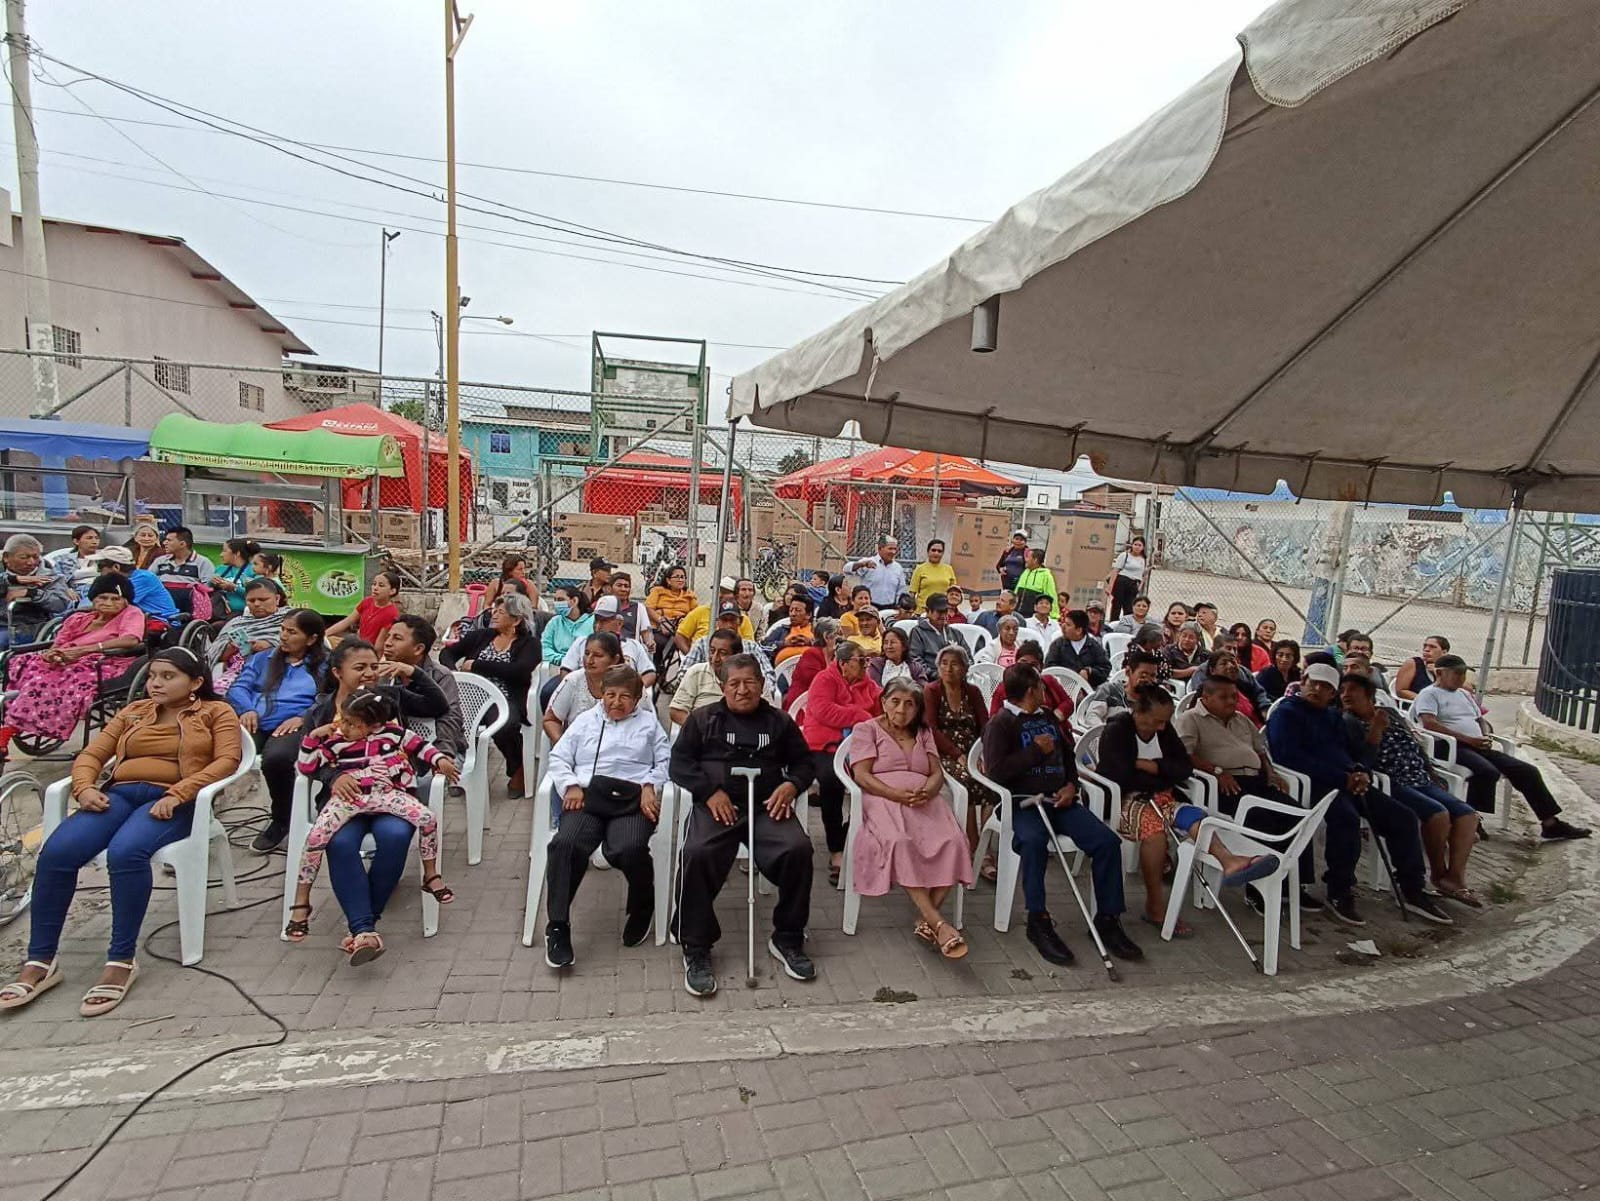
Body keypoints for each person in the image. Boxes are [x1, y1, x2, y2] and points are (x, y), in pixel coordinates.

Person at [0, 648, 241, 1016]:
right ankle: (41, 960)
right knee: (58, 852)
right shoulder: (134, 711)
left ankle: (121, 959)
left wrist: (180, 793)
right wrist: (84, 788)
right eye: (153, 676)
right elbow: (91, 755)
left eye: (168, 676)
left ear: (195, 683)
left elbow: (227, 760)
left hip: (174, 801)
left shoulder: (215, 712)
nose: (156, 683)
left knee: (126, 852)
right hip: (120, 795)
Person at [671, 654, 818, 995]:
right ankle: (696, 945)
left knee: (798, 850)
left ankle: (788, 937)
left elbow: (804, 763)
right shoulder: (702, 719)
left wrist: (792, 785)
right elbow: (679, 764)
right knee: (697, 853)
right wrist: (709, 792)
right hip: (717, 807)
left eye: (749, 682)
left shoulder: (779, 722)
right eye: (734, 684)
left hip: (766, 806)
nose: (742, 690)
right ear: (722, 687)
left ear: (762, 684)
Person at [981, 663, 1141, 965]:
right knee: (1033, 843)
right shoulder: (1001, 723)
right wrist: (1034, 752)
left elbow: (1069, 758)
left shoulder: (1046, 717)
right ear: (1032, 690)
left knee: (1107, 842)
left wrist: (1071, 786)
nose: (1046, 690)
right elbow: (996, 773)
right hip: (1023, 804)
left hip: (1061, 800)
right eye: (1042, 686)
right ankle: (1038, 920)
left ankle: (1107, 919)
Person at [285, 691, 459, 952]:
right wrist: (314, 737)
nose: (344, 727)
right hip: (349, 800)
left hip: (386, 796)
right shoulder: (335, 741)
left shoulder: (392, 734)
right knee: (316, 839)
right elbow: (307, 766)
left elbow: (421, 746)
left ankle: (431, 875)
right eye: (343, 720)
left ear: (373, 725)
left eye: (351, 723)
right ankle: (302, 902)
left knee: (426, 818)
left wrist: (440, 759)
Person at [1099, 685, 1278, 935]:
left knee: (1197, 818)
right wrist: (1161, 774)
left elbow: (1183, 767)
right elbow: (1120, 773)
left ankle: (1229, 861)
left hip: (1163, 797)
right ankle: (1155, 907)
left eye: (1165, 721)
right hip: (1125, 800)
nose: (1162, 727)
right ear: (1138, 712)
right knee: (1155, 835)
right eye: (1157, 721)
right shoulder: (1117, 730)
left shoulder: (1164, 730)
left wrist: (1152, 766)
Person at [1266, 662, 1436, 926]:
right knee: (1346, 820)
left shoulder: (1334, 717)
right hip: (1313, 784)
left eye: (1325, 687)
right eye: (1313, 683)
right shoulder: (1286, 714)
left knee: (1403, 817)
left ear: (1332, 693)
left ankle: (1412, 887)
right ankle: (1339, 890)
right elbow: (1288, 757)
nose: (1317, 689)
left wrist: (1360, 771)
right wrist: (1342, 778)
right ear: (1303, 681)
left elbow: (1353, 754)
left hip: (1347, 782)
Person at [542, 666, 671, 968]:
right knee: (565, 845)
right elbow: (559, 757)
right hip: (588, 797)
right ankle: (558, 926)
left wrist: (651, 785)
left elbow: (665, 761)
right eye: (610, 695)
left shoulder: (649, 724)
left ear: (637, 699)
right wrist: (571, 785)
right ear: (601, 695)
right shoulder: (585, 721)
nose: (616, 702)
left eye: (625, 696)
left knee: (627, 848)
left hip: (633, 799)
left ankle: (642, 903)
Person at [1174, 673, 1322, 914]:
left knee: (1299, 817)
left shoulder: (1241, 719)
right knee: (1262, 821)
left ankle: (1293, 886)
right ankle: (1257, 889)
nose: (1232, 701)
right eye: (1224, 697)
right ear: (1206, 697)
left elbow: (1260, 751)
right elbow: (1184, 755)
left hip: (1257, 780)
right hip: (1225, 784)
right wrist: (1216, 771)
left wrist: (1271, 773)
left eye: (1234, 696)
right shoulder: (1191, 719)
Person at [849, 675, 975, 957]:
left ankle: (926, 920)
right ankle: (939, 923)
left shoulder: (923, 732)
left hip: (923, 800)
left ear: (917, 709)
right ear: (883, 702)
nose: (901, 710)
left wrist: (929, 791)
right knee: (900, 841)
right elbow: (862, 776)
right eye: (895, 701)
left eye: (909, 704)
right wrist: (895, 795)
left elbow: (936, 772)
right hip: (883, 799)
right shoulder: (866, 729)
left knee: (955, 841)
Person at [1340, 673, 1481, 908]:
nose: (1345, 694)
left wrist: (1431, 771)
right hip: (1393, 781)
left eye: (1352, 689)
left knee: (1468, 815)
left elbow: (1413, 743)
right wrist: (1376, 730)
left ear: (1369, 695)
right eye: (1342, 690)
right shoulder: (1349, 722)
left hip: (1420, 776)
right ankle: (1438, 874)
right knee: (1438, 815)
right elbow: (1363, 761)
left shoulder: (1390, 713)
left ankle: (1455, 878)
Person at [1412, 654, 1587, 839]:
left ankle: (1550, 823)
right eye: (1457, 673)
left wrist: (1485, 734)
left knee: (1527, 771)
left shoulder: (1463, 694)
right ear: (1440, 673)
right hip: (1450, 747)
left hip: (1476, 744)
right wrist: (1468, 739)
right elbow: (1429, 723)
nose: (1461, 678)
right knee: (1487, 771)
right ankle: (1471, 820)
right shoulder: (1429, 694)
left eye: (1463, 674)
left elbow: (1480, 719)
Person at [0, 575, 145, 752]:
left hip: (106, 662)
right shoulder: (78, 618)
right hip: (67, 660)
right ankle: (13, 719)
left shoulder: (131, 613)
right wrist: (53, 654)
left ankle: (9, 730)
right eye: (102, 597)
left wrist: (86, 650)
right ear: (93, 599)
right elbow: (58, 643)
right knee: (22, 663)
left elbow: (131, 639)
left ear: (125, 601)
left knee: (52, 678)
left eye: (115, 599)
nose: (108, 603)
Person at [231, 609, 330, 852]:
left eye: (292, 632)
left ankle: (281, 819)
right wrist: (246, 709)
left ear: (311, 638)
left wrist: (304, 717)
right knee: (222, 752)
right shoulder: (263, 658)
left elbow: (330, 698)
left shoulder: (326, 665)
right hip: (256, 720)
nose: (284, 636)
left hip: (295, 724)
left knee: (277, 758)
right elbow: (238, 687)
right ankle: (203, 822)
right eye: (283, 630)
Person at [441, 592, 542, 794]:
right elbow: (447, 653)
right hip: (472, 696)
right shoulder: (481, 636)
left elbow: (519, 670)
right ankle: (461, 772)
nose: (493, 615)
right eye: (494, 610)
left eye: (500, 612)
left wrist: (477, 665)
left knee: (505, 725)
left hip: (505, 697)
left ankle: (517, 769)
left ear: (516, 620)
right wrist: (453, 673)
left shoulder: (529, 644)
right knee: (453, 721)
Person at [799, 640, 881, 882]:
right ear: (843, 664)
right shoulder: (825, 679)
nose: (866, 665)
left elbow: (880, 708)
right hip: (824, 745)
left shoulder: (868, 683)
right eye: (861, 661)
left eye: (867, 661)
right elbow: (823, 711)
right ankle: (836, 849)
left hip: (860, 747)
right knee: (831, 781)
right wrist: (859, 715)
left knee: (880, 781)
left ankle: (849, 836)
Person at [923, 644, 995, 855]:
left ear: (964, 668)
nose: (948, 669)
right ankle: (975, 845)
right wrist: (958, 755)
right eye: (944, 664)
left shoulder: (972, 691)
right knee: (967, 781)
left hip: (973, 750)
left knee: (992, 780)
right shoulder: (932, 691)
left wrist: (982, 753)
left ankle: (985, 844)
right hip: (945, 752)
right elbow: (931, 729)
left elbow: (985, 725)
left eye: (954, 664)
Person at [375, 615, 466, 758]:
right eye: (388, 637)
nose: (387, 643)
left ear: (418, 649)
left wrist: (443, 754)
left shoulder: (440, 675)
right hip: (395, 750)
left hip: (438, 750)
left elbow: (449, 717)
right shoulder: (383, 673)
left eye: (397, 638)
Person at [557, 595, 653, 682]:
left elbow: (649, 673)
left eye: (604, 621)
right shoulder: (582, 642)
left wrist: (635, 690)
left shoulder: (633, 645)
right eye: (597, 620)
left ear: (619, 623)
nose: (598, 626)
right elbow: (566, 670)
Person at [0, 533, 74, 646]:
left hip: (30, 627)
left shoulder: (49, 577)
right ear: (6, 557)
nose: (31, 562)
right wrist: (11, 580)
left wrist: (31, 593)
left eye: (35, 557)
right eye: (24, 557)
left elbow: (60, 604)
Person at [94, 546, 180, 629]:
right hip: (139, 620)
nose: (98, 571)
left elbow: (113, 605)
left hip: (160, 622)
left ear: (116, 567)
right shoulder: (119, 581)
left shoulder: (143, 578)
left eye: (100, 567)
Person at [991, 641, 1075, 726]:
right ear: (1016, 663)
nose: (1027, 668)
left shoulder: (1048, 681)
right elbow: (994, 718)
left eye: (1033, 664)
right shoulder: (1004, 687)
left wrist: (1054, 718)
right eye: (1023, 662)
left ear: (1041, 667)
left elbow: (1068, 703)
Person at [671, 629, 746, 723]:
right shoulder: (697, 672)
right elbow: (676, 711)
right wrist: (698, 728)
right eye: (712, 651)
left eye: (722, 653)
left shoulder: (747, 678)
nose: (715, 658)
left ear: (737, 656)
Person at [1080, 650, 1161, 728]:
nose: (1148, 680)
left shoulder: (1156, 697)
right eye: (1143, 675)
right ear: (1128, 672)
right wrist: (1107, 732)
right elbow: (1092, 716)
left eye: (1152, 676)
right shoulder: (1109, 690)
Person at [326, 569, 401, 648]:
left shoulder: (391, 613)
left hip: (369, 650)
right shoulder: (367, 601)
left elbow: (379, 645)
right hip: (359, 644)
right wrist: (325, 634)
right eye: (374, 584)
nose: (375, 588)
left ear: (392, 591)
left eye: (381, 585)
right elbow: (347, 621)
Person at [149, 526, 214, 616]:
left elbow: (207, 588)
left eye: (169, 540)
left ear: (182, 544)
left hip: (188, 605)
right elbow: (148, 581)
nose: (164, 543)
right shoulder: (160, 561)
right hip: (161, 602)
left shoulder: (203, 562)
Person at [1189, 648, 1266, 724]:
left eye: (1233, 662)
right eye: (1224, 663)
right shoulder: (1205, 693)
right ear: (1212, 670)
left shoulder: (1244, 686)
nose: (1230, 666)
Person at [782, 618, 841, 712]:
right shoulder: (811, 655)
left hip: (824, 702)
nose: (843, 639)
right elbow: (819, 684)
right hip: (802, 705)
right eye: (839, 634)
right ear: (826, 637)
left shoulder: (835, 657)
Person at [677, 578, 753, 651]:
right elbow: (680, 635)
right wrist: (690, 654)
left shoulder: (741, 618)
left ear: (735, 596)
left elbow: (749, 644)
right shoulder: (699, 612)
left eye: (725, 592)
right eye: (717, 591)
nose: (719, 594)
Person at [1044, 609, 1111, 688]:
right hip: (1061, 689)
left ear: (1079, 630)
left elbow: (1105, 668)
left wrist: (1089, 671)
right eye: (1064, 623)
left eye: (1068, 625)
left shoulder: (1094, 646)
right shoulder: (1058, 644)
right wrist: (1069, 675)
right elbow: (1049, 667)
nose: (1063, 627)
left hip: (1088, 690)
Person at [849, 536, 909, 609]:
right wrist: (862, 564)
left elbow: (901, 590)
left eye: (895, 549)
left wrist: (898, 606)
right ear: (880, 548)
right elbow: (847, 569)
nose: (893, 552)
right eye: (890, 549)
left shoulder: (898, 568)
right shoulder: (868, 562)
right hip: (869, 606)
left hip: (889, 608)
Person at [45, 524, 103, 598]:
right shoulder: (63, 559)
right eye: (89, 538)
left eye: (97, 538)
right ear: (76, 541)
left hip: (99, 590)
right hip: (75, 591)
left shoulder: (105, 558)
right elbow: (56, 579)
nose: (94, 542)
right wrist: (66, 590)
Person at [907, 593, 957, 678]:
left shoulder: (955, 633)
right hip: (929, 679)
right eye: (939, 612)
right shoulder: (918, 632)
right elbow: (915, 660)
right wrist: (936, 675)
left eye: (945, 611)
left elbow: (967, 656)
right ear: (927, 611)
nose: (943, 615)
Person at [211, 538, 260, 618]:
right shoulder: (220, 569)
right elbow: (206, 590)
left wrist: (235, 588)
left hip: (243, 615)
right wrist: (211, 582)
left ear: (237, 553)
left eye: (224, 551)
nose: (221, 555)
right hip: (218, 611)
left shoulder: (254, 571)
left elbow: (258, 595)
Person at [1102, 535, 1148, 621]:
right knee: (1117, 605)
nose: (1137, 547)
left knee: (1129, 608)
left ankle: (1127, 625)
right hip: (1121, 582)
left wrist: (1139, 588)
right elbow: (1115, 571)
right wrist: (1110, 587)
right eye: (1135, 544)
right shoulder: (1124, 555)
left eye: (1139, 545)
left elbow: (1142, 576)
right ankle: (1113, 623)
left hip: (1133, 584)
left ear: (1143, 547)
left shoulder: (1143, 559)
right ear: (1132, 545)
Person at [765, 595, 816, 667]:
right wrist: (783, 643)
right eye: (791, 610)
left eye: (798, 610)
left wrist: (811, 642)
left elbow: (827, 649)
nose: (793, 614)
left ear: (808, 615)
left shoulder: (817, 632)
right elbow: (762, 647)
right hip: (780, 671)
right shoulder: (781, 630)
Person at [1395, 634, 1449, 700]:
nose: (1426, 649)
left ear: (1444, 652)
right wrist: (1426, 700)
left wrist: (1438, 673)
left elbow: (1458, 689)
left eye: (1432, 647)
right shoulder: (1413, 663)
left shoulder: (1450, 666)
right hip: (1415, 703)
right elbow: (1401, 691)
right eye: (1425, 646)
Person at [909, 539, 957, 612]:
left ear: (943, 553)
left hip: (943, 612)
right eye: (933, 550)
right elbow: (912, 593)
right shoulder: (920, 569)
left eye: (939, 551)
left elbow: (954, 592)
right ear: (928, 551)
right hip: (923, 611)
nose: (936, 553)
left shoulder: (949, 569)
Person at [1013, 549, 1058, 620]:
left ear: (1035, 560)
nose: (1025, 560)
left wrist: (1054, 617)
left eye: (1028, 557)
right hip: (1016, 614)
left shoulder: (1046, 575)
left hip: (1032, 618)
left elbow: (1052, 596)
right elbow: (1016, 591)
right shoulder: (1025, 572)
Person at [1255, 639, 1302, 703]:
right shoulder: (1265, 674)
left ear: (1294, 658)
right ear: (1275, 656)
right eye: (1280, 655)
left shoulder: (1297, 673)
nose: (1284, 659)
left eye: (1288, 656)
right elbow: (1259, 695)